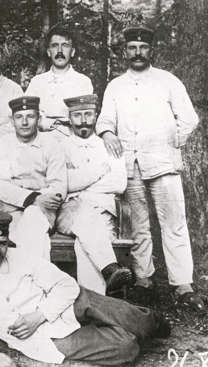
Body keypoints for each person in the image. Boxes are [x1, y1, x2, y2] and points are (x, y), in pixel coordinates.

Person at [0, 209, 171, 367]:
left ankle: (149, 322)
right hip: (45, 338)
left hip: (66, 305)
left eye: (2, 243)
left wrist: (40, 315)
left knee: (143, 322)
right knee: (127, 348)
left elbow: (65, 284)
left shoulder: (18, 256)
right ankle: (128, 328)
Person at [96, 27, 203, 310]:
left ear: (151, 50)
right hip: (129, 165)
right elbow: (104, 121)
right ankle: (144, 280)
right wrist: (108, 134)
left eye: (143, 47)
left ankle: (183, 285)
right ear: (125, 52)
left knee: (174, 223)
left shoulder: (168, 81)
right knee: (139, 225)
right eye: (132, 48)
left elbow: (189, 119)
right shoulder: (115, 86)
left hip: (163, 164)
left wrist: (171, 142)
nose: (138, 53)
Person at [56, 94, 133, 295]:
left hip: (104, 215)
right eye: (78, 115)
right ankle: (109, 269)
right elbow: (63, 184)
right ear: (69, 118)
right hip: (70, 213)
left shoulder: (109, 144)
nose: (83, 120)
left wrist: (82, 187)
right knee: (87, 221)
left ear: (96, 116)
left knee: (85, 245)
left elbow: (119, 183)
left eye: (88, 114)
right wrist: (99, 172)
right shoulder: (60, 147)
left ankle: (92, 308)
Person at [0, 96, 66, 259]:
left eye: (30, 116)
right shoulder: (3, 144)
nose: (24, 122)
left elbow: (59, 185)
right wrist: (33, 198)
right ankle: (40, 280)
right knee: (26, 238)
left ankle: (30, 281)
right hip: (10, 208)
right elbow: (2, 186)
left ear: (38, 119)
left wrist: (39, 202)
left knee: (32, 221)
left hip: (43, 208)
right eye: (19, 117)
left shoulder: (51, 143)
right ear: (12, 120)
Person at [25, 24, 93, 137]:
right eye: (55, 46)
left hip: (72, 139)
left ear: (72, 52)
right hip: (42, 139)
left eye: (65, 45)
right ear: (48, 52)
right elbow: (27, 114)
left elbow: (86, 118)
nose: (60, 51)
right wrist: (43, 122)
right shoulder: (37, 82)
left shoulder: (83, 82)